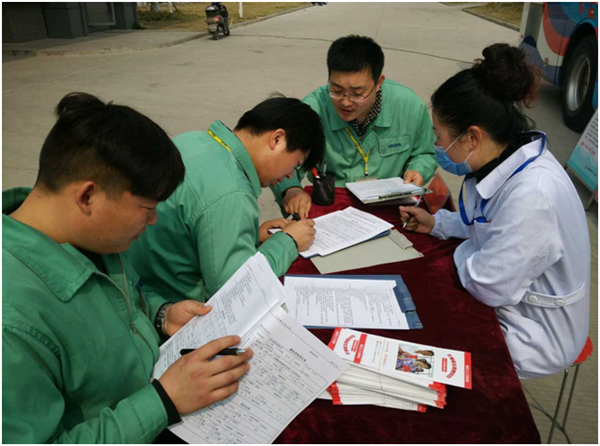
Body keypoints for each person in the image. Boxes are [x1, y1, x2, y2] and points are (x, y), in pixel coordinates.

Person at [2, 93, 253, 443]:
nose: (153, 221)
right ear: (87, 196)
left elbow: (120, 301)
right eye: (146, 208)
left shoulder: (96, 238)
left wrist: (160, 315)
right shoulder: (12, 322)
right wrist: (164, 400)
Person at [400, 44, 590, 379]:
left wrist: (464, 254)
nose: (437, 146)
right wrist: (439, 223)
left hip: (535, 335)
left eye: (439, 136)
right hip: (514, 299)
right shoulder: (505, 157)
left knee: (419, 336)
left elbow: (487, 285)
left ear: (472, 137)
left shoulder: (531, 196)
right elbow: (489, 223)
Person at [129, 96, 324, 303]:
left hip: (139, 284)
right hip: (176, 306)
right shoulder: (233, 192)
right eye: (296, 163)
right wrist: (289, 241)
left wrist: (249, 235)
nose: (289, 175)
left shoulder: (193, 140)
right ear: (277, 139)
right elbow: (235, 292)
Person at [275, 35, 437, 218]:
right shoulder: (312, 111)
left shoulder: (410, 107)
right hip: (332, 209)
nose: (345, 102)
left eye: (357, 94)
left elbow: (426, 153)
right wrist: (291, 189)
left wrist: (418, 169)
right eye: (336, 91)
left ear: (378, 83)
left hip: (389, 209)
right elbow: (283, 160)